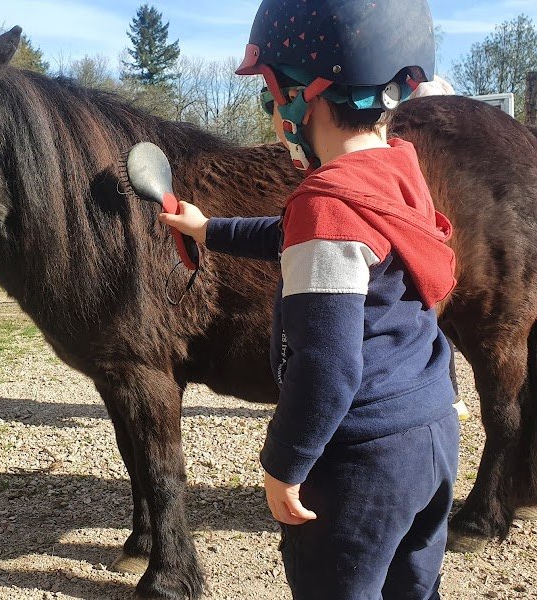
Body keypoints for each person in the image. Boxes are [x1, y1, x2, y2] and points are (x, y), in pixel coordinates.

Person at [159, 1, 460, 598]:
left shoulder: (326, 209)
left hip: (360, 463)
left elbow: (327, 368)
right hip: (430, 437)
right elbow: (297, 235)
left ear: (304, 97)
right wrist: (209, 229)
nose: (272, 116)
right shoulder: (395, 175)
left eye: (271, 97)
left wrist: (285, 462)